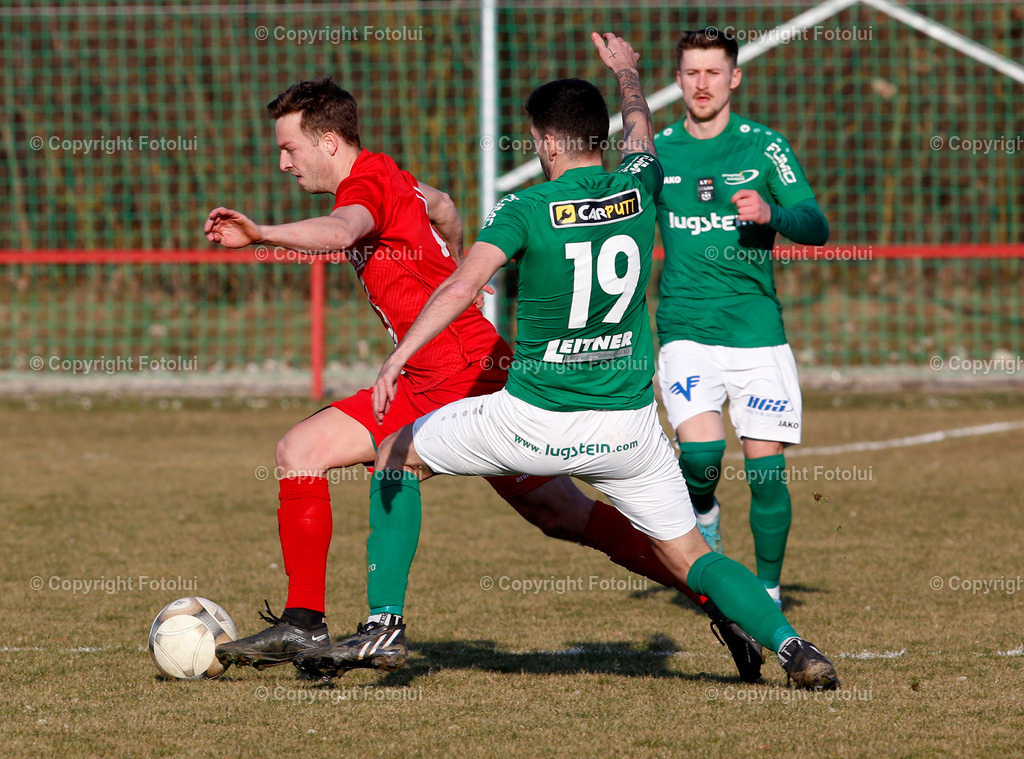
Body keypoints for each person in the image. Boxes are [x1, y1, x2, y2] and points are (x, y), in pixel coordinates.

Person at [294, 35, 839, 690]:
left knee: (395, 451)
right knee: (693, 553)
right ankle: (792, 646)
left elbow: (461, 287)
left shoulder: (525, 209)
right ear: (599, 138)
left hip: (535, 420)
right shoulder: (641, 184)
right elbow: (639, 129)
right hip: (631, 431)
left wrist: (399, 357)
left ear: (546, 143)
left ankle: (384, 624)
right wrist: (629, 74)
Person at [204, 77, 763, 681]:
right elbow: (441, 205)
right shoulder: (389, 174)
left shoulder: (364, 186)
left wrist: (262, 234)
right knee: (558, 516)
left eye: (290, 149)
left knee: (554, 513)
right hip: (445, 367)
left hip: (460, 371)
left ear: (331, 143)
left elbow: (339, 232)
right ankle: (305, 622)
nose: (284, 162)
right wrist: (460, 263)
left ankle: (353, 625)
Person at [653, 29, 830, 608]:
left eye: (713, 72)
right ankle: (703, 511)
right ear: (677, 79)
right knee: (700, 459)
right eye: (691, 73)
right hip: (685, 329)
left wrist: (772, 213)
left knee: (766, 474)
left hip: (755, 332)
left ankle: (769, 590)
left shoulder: (764, 146)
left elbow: (815, 223)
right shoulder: (657, 151)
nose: (702, 84)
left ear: (735, 78)